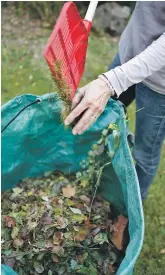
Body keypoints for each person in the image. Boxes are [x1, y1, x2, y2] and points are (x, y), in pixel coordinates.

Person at [64, 1, 165, 200]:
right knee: (92, 118)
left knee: (145, 154)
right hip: (129, 54)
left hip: (159, 84)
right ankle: (82, 177)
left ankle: (128, 212)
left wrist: (110, 82)